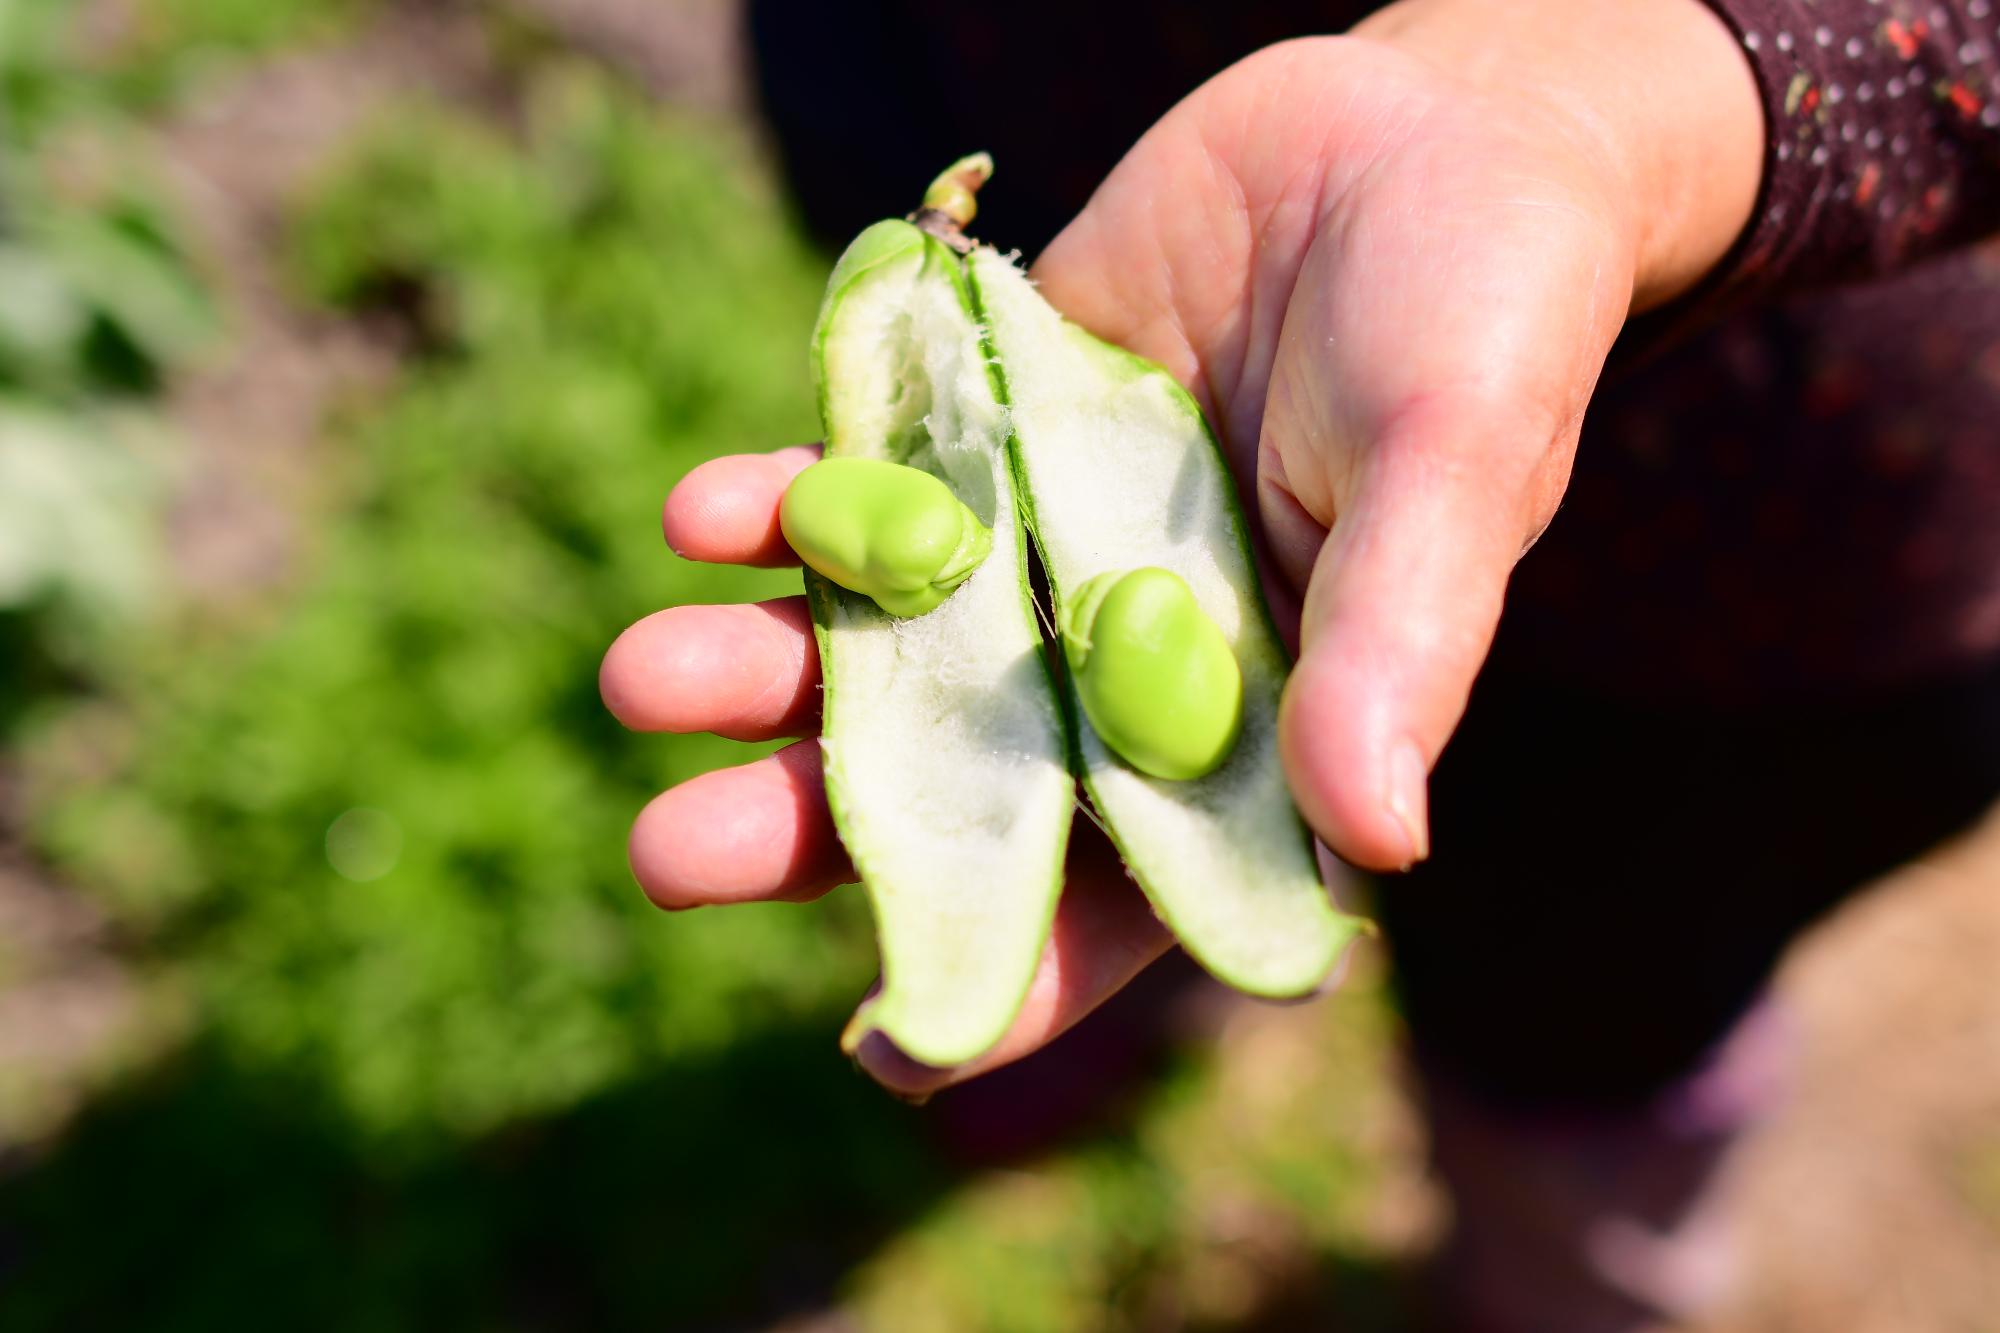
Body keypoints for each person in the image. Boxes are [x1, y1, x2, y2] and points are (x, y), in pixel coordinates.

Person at [601, 0, 2000, 1326]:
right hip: (1081, 171)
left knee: (1584, 1012)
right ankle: (1164, 971)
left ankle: (1570, 1269)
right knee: (1221, 803)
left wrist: (1604, 102)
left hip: (1756, 577)